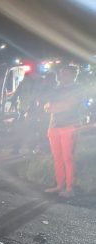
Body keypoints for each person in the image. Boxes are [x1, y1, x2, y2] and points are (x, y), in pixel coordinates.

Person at [44, 65, 85, 198]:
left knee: (68, 158)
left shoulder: (78, 88)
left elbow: (69, 105)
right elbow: (47, 105)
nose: (62, 76)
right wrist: (49, 107)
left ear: (74, 75)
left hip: (70, 126)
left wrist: (53, 107)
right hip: (54, 126)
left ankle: (69, 188)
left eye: (66, 74)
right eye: (61, 73)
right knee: (57, 158)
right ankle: (59, 185)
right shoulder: (56, 89)